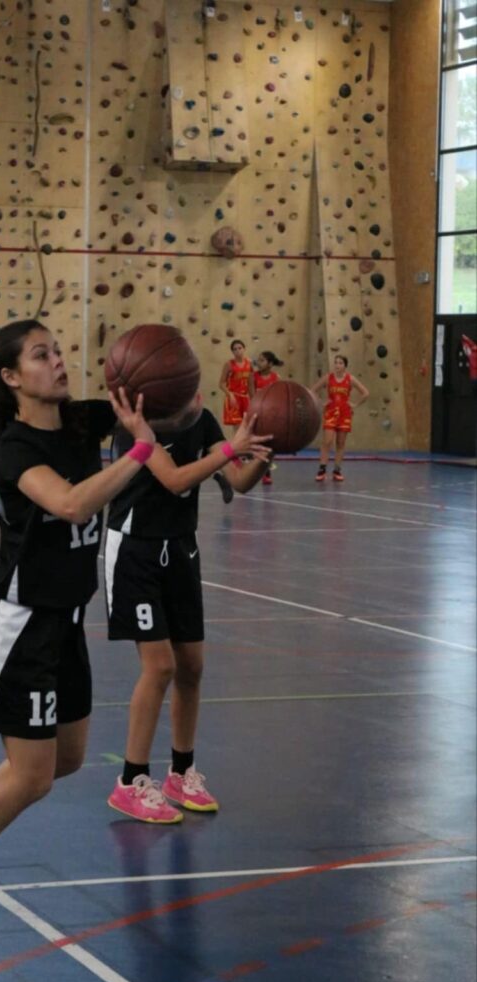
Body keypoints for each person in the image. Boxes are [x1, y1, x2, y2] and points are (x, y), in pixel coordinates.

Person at [0, 319, 158, 955]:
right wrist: (138, 453)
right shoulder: (15, 448)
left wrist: (201, 413)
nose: (59, 361)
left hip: (66, 621)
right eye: (42, 355)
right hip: (21, 625)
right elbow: (70, 504)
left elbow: (157, 403)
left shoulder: (82, 421)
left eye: (59, 350)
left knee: (67, 758)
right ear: (12, 377)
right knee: (34, 777)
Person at [104, 394, 273, 823]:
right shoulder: (135, 424)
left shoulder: (202, 419)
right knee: (160, 666)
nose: (194, 393)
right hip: (135, 551)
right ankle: (130, 781)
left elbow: (239, 481)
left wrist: (264, 455)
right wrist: (231, 449)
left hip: (180, 548)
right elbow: (174, 480)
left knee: (192, 666)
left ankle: (181, 773)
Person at [311, 354, 369, 482]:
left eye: (340, 363)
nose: (337, 365)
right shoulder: (328, 377)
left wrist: (355, 404)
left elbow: (365, 393)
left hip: (344, 414)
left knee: (341, 443)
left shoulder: (350, 379)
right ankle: (322, 469)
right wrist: (322, 402)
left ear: (345, 366)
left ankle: (337, 470)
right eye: (336, 362)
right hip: (331, 413)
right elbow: (313, 390)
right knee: (327, 441)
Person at [214, 340, 254, 503]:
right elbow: (221, 383)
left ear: (244, 349)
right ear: (232, 352)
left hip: (245, 398)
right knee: (237, 430)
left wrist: (254, 401)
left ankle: (240, 456)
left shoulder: (249, 364)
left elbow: (251, 385)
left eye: (240, 348)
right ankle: (235, 457)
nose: (238, 351)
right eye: (235, 349)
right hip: (233, 398)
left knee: (246, 429)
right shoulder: (229, 365)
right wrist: (229, 394)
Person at [253, 351, 283, 486]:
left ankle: (267, 472)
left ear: (270, 364)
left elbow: (279, 398)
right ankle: (256, 470)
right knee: (258, 444)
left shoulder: (276, 378)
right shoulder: (253, 377)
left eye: (262, 360)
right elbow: (252, 396)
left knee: (269, 444)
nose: (259, 363)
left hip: (271, 414)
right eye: (258, 360)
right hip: (257, 413)